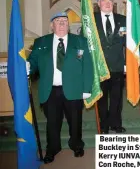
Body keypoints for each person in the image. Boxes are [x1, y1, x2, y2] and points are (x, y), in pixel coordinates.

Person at [27, 12, 93, 163]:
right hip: (50, 90)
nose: (62, 23)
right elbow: (32, 63)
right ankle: (52, 148)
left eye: (65, 20)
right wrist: (27, 67)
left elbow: (87, 66)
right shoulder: (41, 42)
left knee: (75, 121)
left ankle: (76, 145)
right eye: (58, 21)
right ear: (52, 26)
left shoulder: (80, 41)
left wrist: (86, 89)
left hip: (74, 89)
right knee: (52, 123)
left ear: (69, 25)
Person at [94, 0, 126, 134]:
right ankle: (104, 125)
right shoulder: (91, 20)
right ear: (98, 4)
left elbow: (127, 41)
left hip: (117, 65)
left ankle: (116, 124)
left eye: (110, 1)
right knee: (101, 99)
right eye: (104, 0)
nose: (107, 3)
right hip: (100, 66)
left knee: (117, 98)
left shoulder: (122, 20)